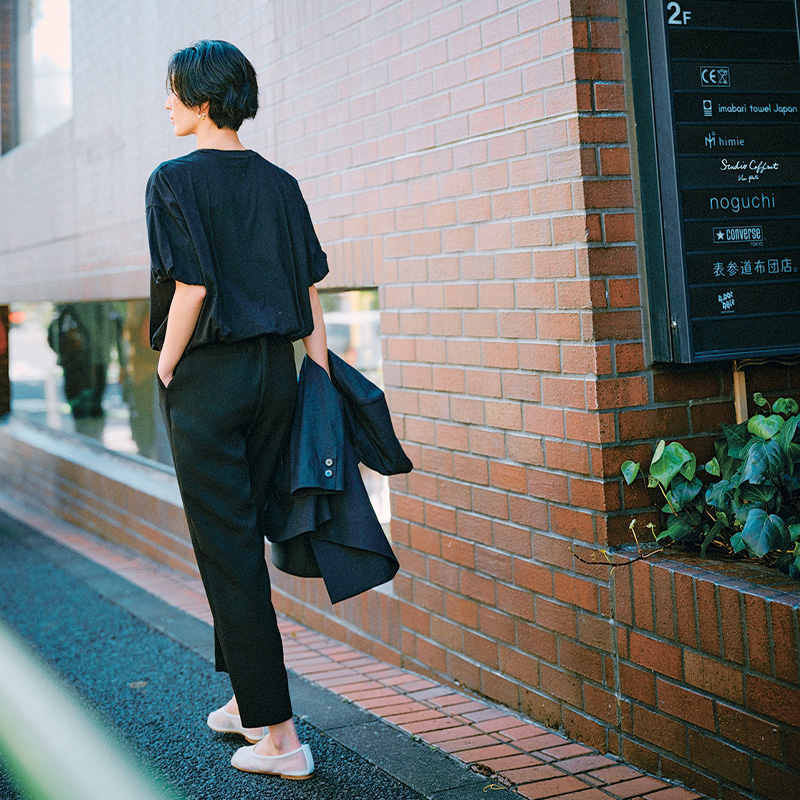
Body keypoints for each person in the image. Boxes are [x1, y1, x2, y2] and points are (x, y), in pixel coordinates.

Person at [146, 39, 329, 780]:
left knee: (226, 553)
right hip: (275, 376)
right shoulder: (281, 183)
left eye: (172, 92)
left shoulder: (172, 180)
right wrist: (316, 374)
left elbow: (189, 289)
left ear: (203, 97)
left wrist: (164, 367)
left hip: (209, 378)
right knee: (240, 542)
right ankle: (245, 700)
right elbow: (310, 285)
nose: (165, 104)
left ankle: (281, 739)